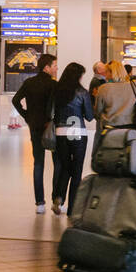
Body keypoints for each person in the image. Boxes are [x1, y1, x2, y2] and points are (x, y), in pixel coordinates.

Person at [12, 53, 58, 214]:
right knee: (57, 163)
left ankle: (40, 203)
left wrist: (26, 116)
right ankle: (56, 200)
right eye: (54, 65)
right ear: (47, 67)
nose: (56, 68)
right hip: (51, 128)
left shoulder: (29, 83)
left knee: (38, 163)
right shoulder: (54, 85)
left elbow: (15, 100)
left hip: (35, 127)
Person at [49, 62, 94, 215]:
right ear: (78, 76)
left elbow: (50, 112)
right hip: (78, 134)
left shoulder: (56, 91)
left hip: (61, 133)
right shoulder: (82, 92)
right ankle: (72, 208)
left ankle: (59, 197)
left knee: (65, 168)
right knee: (77, 170)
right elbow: (89, 116)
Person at [94, 60, 136, 130]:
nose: (105, 76)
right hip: (132, 129)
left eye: (106, 72)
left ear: (111, 73)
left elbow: (98, 112)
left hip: (110, 129)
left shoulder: (104, 88)